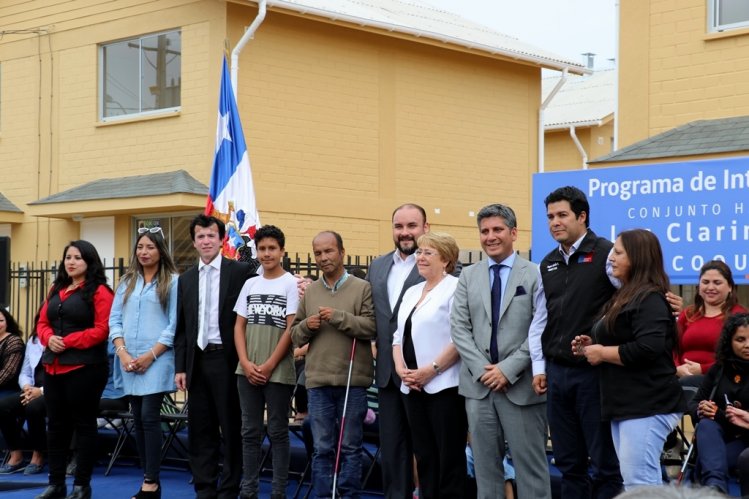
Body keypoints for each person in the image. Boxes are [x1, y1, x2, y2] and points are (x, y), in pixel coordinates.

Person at [451, 204, 551, 499]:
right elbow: (459, 329)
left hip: (521, 387)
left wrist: (507, 369)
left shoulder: (535, 274)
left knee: (530, 472)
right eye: (484, 231)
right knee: (486, 472)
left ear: (514, 233)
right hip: (479, 389)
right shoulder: (468, 276)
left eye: (497, 230)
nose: (490, 237)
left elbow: (542, 327)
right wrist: (486, 371)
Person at [574, 229, 686, 490]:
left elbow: (648, 348)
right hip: (625, 403)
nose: (611, 258)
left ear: (637, 258)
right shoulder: (625, 295)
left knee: (641, 485)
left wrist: (602, 353)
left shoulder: (650, 298)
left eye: (619, 252)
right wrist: (593, 346)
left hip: (647, 403)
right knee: (636, 483)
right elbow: (626, 340)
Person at [535, 186, 623, 499]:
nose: (554, 222)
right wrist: (539, 366)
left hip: (594, 374)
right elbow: (540, 320)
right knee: (568, 463)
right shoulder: (547, 263)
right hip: (557, 374)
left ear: (581, 216)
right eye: (550, 217)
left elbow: (629, 303)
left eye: (562, 215)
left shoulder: (607, 254)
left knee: (603, 464)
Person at [290, 231, 376, 499]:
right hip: (318, 381)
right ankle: (323, 495)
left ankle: (348, 495)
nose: (323, 258)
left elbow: (371, 327)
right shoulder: (311, 291)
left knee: (350, 446)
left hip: (353, 381)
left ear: (342, 252)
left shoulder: (362, 288)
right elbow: (295, 334)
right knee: (322, 448)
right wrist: (307, 325)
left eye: (328, 251)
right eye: (318, 253)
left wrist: (338, 317)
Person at [174, 214, 254, 499]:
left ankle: (229, 487)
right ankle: (204, 487)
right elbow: (182, 328)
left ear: (221, 240)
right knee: (200, 429)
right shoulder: (185, 279)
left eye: (211, 235)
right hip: (196, 361)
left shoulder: (240, 272)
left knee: (231, 427)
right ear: (194, 242)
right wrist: (180, 367)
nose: (206, 241)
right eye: (200, 236)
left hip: (227, 360)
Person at [35, 240, 114, 499]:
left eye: (77, 257)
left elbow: (102, 330)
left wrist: (67, 342)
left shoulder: (100, 291)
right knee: (56, 426)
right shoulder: (57, 288)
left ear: (89, 261)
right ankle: (56, 484)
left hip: (85, 367)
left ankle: (82, 485)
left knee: (84, 425)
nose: (71, 262)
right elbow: (42, 322)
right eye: (68, 257)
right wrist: (48, 338)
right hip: (54, 367)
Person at [392, 232, 465, 498]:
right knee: (423, 457)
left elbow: (459, 339)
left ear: (445, 259)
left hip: (444, 387)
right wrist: (401, 370)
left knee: (449, 460)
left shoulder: (456, 288)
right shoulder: (412, 291)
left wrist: (430, 371)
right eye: (419, 252)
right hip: (411, 387)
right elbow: (398, 336)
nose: (419, 257)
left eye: (427, 253)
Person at [109, 226, 178, 499]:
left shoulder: (172, 281)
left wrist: (150, 355)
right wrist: (123, 352)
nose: (144, 252)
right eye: (140, 247)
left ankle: (151, 481)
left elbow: (174, 325)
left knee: (149, 417)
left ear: (160, 251)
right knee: (137, 418)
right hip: (128, 359)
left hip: (157, 359)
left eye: (150, 247)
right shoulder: (127, 282)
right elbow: (114, 320)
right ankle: (149, 479)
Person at [368, 203, 430, 499]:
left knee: (427, 448)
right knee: (392, 450)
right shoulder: (377, 266)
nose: (405, 233)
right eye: (399, 226)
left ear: (425, 229)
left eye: (411, 226)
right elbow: (371, 315)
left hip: (425, 374)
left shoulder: (437, 264)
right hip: (387, 375)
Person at [233, 225, 299, 499]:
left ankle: (278, 491)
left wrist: (270, 364)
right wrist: (246, 363)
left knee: (277, 430)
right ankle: (248, 489)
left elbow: (291, 329)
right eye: (262, 249)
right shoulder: (250, 284)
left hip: (279, 372)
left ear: (282, 251)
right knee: (249, 431)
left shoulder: (291, 284)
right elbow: (239, 326)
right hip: (246, 372)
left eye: (272, 248)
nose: (267, 253)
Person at [689, 312, 749, 495]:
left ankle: (714, 489)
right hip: (722, 438)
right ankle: (716, 491)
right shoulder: (720, 368)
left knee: (709, 463)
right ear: (729, 341)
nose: (747, 345)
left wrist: (720, 415)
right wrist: (702, 409)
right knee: (706, 423)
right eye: (740, 339)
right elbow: (693, 403)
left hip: (746, 441)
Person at [675, 260, 745, 386]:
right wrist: (677, 368)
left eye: (717, 283)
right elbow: (673, 348)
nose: (710, 287)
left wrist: (703, 369)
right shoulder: (688, 314)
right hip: (681, 380)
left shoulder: (739, 316)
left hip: (720, 381)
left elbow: (739, 356)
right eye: (705, 282)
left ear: (730, 287)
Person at [0, 309, 37, 474]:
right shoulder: (31, 341)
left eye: (0, 320)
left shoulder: (13, 341)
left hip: (8, 389)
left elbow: (8, 373)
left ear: (7, 321)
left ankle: (18, 455)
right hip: (19, 388)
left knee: (4, 406)